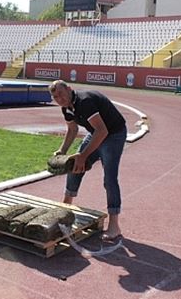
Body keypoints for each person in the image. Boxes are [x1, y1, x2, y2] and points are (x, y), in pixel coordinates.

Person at [49, 80, 127, 242]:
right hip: (96, 132)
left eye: (62, 94)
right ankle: (65, 207)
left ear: (70, 89)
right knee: (73, 165)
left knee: (109, 179)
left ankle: (114, 225)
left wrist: (83, 156)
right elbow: (72, 129)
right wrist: (62, 151)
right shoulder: (67, 109)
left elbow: (102, 130)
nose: (60, 99)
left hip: (113, 134)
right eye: (56, 97)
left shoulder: (85, 102)